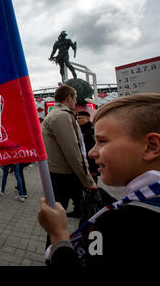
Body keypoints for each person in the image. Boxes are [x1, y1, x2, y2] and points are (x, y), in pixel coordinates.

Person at [38, 93, 160, 267]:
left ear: (151, 146)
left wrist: (58, 235)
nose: (92, 153)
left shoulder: (116, 222)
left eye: (102, 141)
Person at [41, 85, 97, 225]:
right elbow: (72, 150)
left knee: (58, 216)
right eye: (75, 97)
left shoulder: (59, 114)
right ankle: (58, 244)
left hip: (62, 173)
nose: (76, 101)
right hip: (64, 175)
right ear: (68, 97)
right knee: (57, 220)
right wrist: (87, 180)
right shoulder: (61, 116)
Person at [76, 111, 99, 183]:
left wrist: (94, 168)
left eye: (80, 118)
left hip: (91, 163)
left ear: (87, 118)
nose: (78, 120)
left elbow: (94, 149)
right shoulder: (77, 129)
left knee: (92, 184)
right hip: (81, 163)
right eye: (77, 118)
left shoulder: (93, 130)